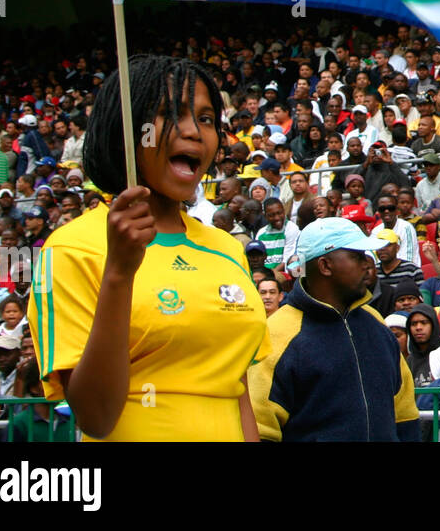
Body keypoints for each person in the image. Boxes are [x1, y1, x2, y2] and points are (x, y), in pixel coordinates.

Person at [27, 56, 269, 441]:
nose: (194, 132)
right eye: (168, 114)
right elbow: (95, 416)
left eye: (206, 119)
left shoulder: (228, 248)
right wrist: (119, 273)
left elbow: (235, 391)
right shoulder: (71, 248)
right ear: (125, 131)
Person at [247, 217, 415, 441]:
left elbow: (404, 414)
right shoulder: (276, 333)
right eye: (357, 256)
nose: (368, 264)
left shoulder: (376, 324)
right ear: (325, 266)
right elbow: (259, 428)